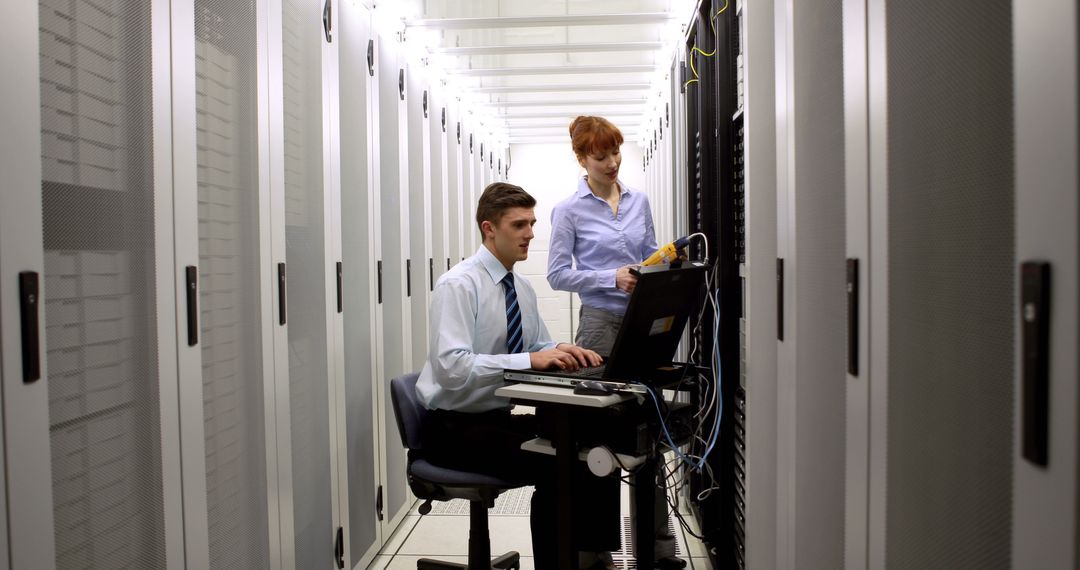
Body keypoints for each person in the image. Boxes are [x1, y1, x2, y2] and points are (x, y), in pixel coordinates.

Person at [416, 181, 616, 569]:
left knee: (594, 449)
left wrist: (560, 350)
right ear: (489, 228)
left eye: (532, 223)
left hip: (493, 421)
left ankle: (590, 558)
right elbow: (452, 367)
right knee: (560, 465)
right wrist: (529, 360)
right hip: (452, 430)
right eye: (519, 225)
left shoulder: (521, 287)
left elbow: (537, 345)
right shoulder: (459, 285)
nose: (530, 234)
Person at [547, 116, 686, 569]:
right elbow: (557, 274)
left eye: (615, 153)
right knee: (599, 441)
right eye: (600, 155)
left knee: (649, 434)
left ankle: (661, 550)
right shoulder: (568, 210)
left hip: (642, 323)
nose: (611, 162)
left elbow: (646, 257)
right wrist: (610, 275)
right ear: (581, 158)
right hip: (600, 326)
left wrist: (662, 266)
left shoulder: (638, 201)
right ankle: (593, 550)